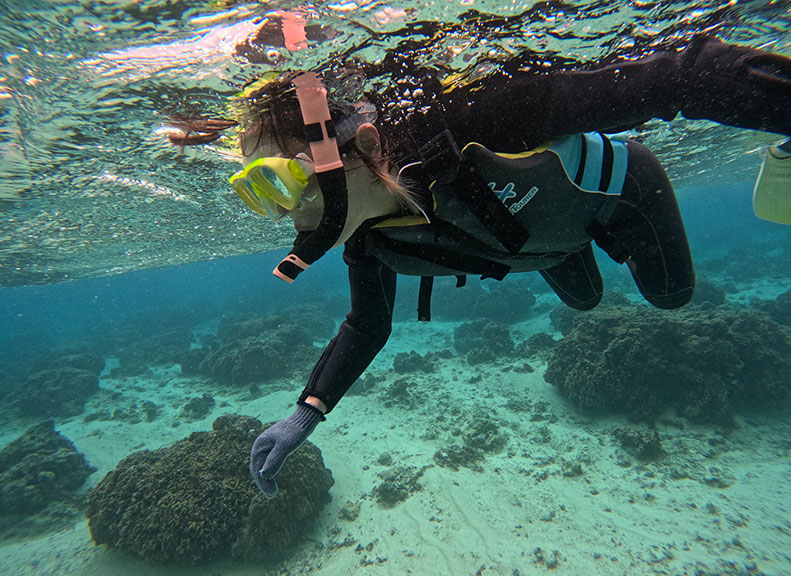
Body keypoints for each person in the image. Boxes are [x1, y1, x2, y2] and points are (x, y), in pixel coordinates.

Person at [171, 31, 791, 497]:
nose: (284, 213)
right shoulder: (365, 235)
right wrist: (303, 413)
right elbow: (368, 325)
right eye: (255, 190)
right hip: (538, 241)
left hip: (617, 195)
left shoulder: (476, 116)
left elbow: (680, 75)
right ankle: (568, 250)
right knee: (583, 300)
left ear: (360, 146)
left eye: (283, 179)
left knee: (671, 297)